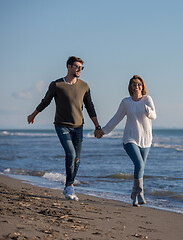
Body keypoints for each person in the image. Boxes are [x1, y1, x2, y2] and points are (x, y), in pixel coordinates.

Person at [27, 56, 101, 201]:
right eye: (77, 67)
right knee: (71, 154)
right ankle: (69, 186)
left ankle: (69, 185)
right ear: (69, 66)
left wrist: (97, 126)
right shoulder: (57, 85)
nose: (79, 70)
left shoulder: (84, 86)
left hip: (78, 127)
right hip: (62, 126)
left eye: (81, 67)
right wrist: (33, 114)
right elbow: (45, 101)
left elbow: (90, 106)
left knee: (77, 159)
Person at [95, 75, 156, 207]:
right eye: (134, 84)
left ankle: (134, 194)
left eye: (139, 84)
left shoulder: (147, 99)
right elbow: (116, 118)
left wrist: (148, 111)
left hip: (146, 139)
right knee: (139, 164)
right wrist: (103, 131)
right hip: (130, 138)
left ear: (142, 86)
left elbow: (154, 115)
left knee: (140, 167)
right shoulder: (126, 102)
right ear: (130, 87)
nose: (137, 87)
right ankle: (140, 193)